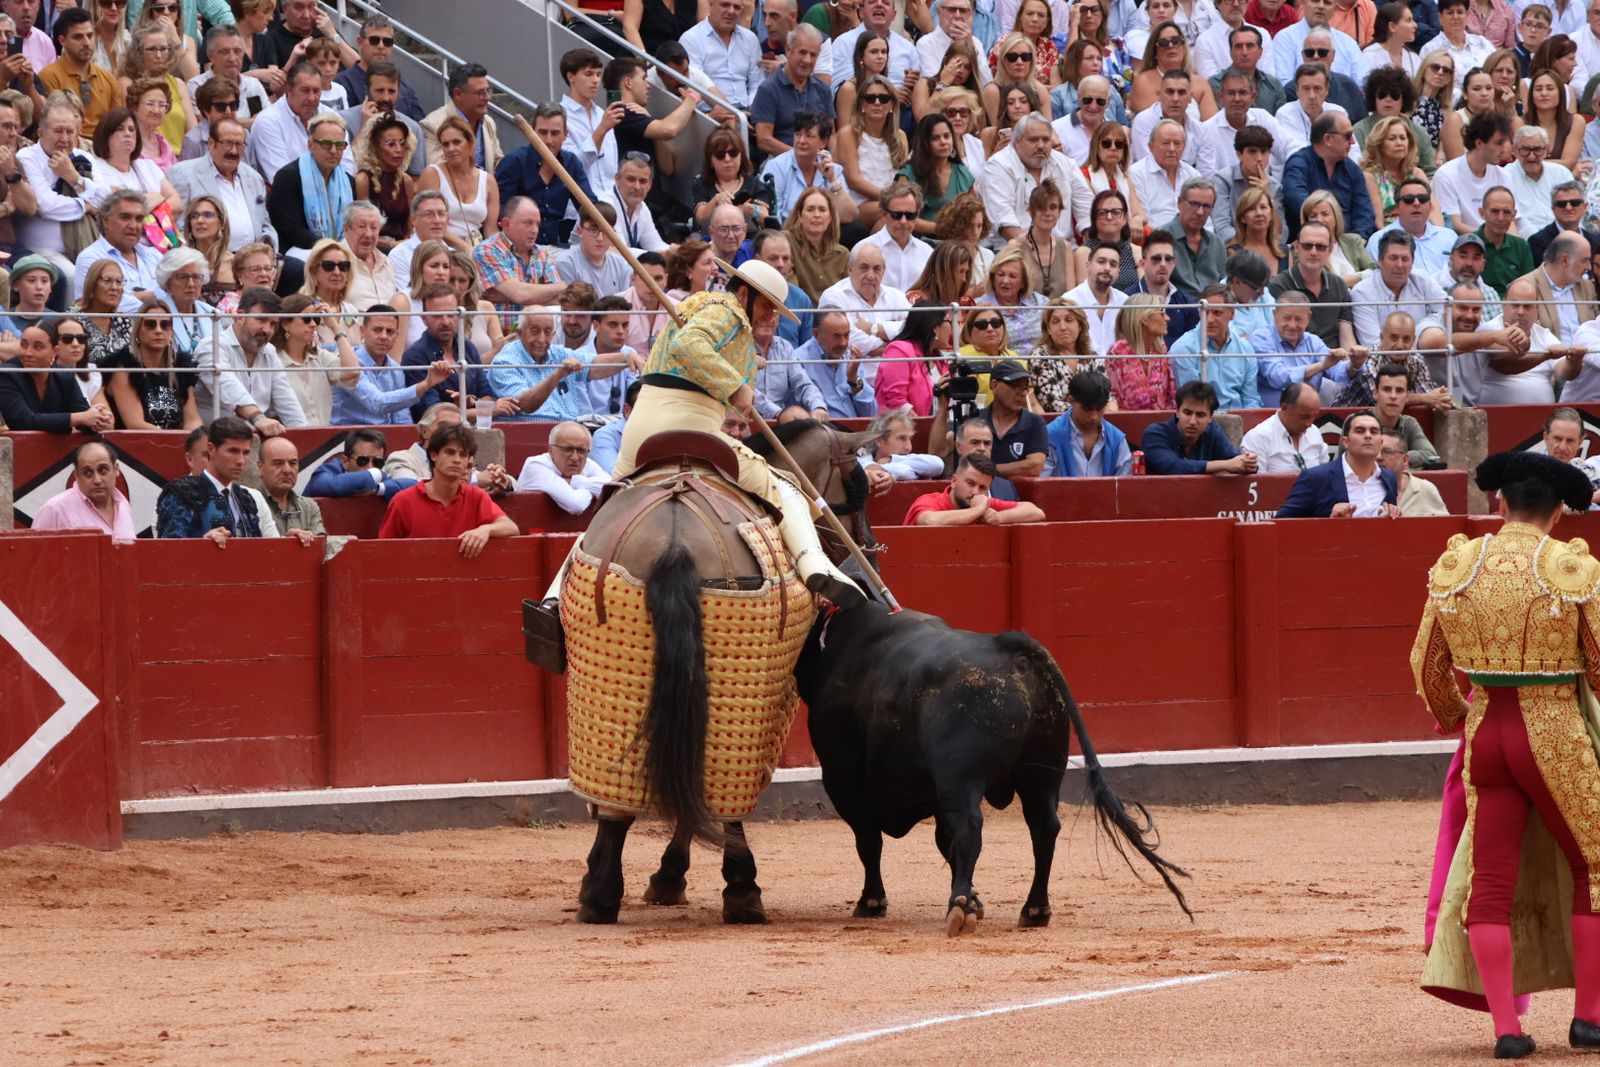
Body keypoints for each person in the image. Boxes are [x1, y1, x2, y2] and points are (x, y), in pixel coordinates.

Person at [523, 259, 869, 671]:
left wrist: (743, 372)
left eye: (776, 310)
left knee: (610, 510)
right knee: (785, 486)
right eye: (767, 306)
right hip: (690, 423)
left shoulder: (703, 310)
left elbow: (690, 350)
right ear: (745, 294)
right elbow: (692, 347)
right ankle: (816, 567)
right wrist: (735, 384)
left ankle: (554, 597)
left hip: (643, 425)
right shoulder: (728, 312)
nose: (770, 316)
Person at [1410, 450, 1600, 1060]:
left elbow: (1426, 668)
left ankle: (1508, 1033)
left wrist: (1460, 720)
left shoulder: (1458, 565)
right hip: (1553, 732)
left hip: (1487, 732)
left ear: (1500, 502)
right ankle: (1589, 1020)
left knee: (1489, 884)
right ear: (1561, 512)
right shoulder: (1572, 568)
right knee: (1593, 871)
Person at [378, 423, 519, 557]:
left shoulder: (476, 496)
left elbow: (511, 527)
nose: (457, 460)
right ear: (433, 455)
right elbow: (383, 552)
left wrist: (486, 529)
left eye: (463, 455)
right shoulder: (403, 501)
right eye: (449, 452)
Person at [489, 307, 633, 422]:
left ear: (554, 333)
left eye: (547, 332)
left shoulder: (557, 352)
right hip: (529, 432)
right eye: (535, 331)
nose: (541, 339)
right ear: (520, 333)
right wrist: (557, 375)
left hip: (570, 429)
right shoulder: (504, 362)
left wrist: (627, 357)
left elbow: (593, 365)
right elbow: (524, 405)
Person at [193, 287, 306, 432]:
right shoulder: (212, 345)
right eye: (261, 320)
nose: (267, 330)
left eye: (273, 324)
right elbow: (227, 385)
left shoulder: (269, 352)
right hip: (216, 439)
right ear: (240, 316)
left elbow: (288, 403)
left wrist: (304, 435)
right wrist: (258, 418)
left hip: (256, 436)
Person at [168, 116, 275, 254]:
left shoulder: (254, 177)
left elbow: (265, 223)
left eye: (239, 144)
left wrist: (268, 246)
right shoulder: (183, 174)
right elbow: (177, 227)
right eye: (228, 143)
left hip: (254, 258)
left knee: (296, 268)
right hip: (210, 259)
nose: (234, 151)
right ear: (211, 143)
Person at [155, 416, 271, 542]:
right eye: (233, 451)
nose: (241, 461)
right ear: (211, 450)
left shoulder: (245, 498)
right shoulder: (180, 494)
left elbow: (261, 551)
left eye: (246, 453)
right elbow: (168, 553)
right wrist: (202, 545)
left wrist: (292, 542)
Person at [494, 105, 595, 248]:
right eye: (542, 132)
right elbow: (500, 212)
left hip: (555, 248)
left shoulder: (571, 162)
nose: (548, 140)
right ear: (531, 131)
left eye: (555, 133)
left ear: (565, 134)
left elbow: (590, 208)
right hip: (516, 247)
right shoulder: (513, 162)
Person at [1477, 276, 1585, 402]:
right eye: (1515, 305)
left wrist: (1574, 360)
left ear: (1537, 309)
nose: (1521, 312)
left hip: (1542, 417)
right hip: (1496, 416)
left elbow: (1565, 373)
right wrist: (1546, 355)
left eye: (1527, 306)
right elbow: (1506, 364)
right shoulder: (1488, 330)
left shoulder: (1543, 335)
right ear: (1503, 304)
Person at [1275, 410, 1400, 515]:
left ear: (1381, 443)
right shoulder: (1315, 478)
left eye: (1374, 431)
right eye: (1360, 430)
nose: (1368, 436)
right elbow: (1281, 524)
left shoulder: (1389, 479)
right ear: (1345, 442)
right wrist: (1330, 522)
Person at [0, 319, 113, 433]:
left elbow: (84, 419)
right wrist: (78, 418)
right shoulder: (7, 374)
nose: (27, 353)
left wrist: (98, 420)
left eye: (37, 347)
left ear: (55, 351)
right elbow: (23, 421)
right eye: (23, 345)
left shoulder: (64, 376)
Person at [471, 197, 565, 331]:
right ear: (506, 223)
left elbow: (560, 299)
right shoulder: (487, 250)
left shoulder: (544, 254)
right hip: (500, 339)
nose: (535, 230)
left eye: (537, 224)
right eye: (528, 223)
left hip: (538, 337)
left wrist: (509, 297)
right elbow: (520, 294)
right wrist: (561, 286)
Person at [1284, 111, 1377, 242]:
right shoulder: (1298, 164)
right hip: (1309, 243)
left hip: (1347, 247)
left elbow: (1364, 213)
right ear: (1327, 139)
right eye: (1348, 136)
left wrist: (1358, 241)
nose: (1353, 141)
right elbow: (1299, 202)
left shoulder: (1352, 170)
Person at [1170, 283, 1260, 410]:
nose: (1210, 319)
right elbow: (1191, 404)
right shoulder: (1184, 349)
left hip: (1240, 422)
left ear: (1232, 314)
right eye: (1205, 312)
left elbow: (1251, 400)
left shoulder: (1245, 349)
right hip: (1201, 422)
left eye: (1217, 313)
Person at [1140, 379, 1258, 474]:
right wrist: (1225, 465)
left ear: (1210, 417)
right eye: (1187, 413)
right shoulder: (1155, 434)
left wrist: (1248, 463)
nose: (1192, 421)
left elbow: (1234, 460)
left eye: (1200, 415)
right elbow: (1173, 467)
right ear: (1177, 411)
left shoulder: (1212, 432)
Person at [753, 25, 834, 157]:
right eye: (802, 52)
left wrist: (831, 160)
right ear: (788, 50)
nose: (807, 60)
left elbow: (831, 135)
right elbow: (764, 140)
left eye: (813, 55)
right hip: (781, 164)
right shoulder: (768, 89)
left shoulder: (823, 89)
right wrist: (801, 156)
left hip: (818, 163)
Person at [417, 114, 496, 250]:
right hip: (438, 246)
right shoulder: (432, 174)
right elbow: (428, 221)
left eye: (456, 142)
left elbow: (491, 231)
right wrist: (465, 248)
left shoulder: (488, 180)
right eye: (445, 144)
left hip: (477, 247)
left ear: (470, 144)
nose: (451, 149)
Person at [39, 8, 122, 138]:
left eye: (90, 35)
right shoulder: (49, 76)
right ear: (62, 41)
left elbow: (117, 123)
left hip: (104, 147)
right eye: (78, 37)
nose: (86, 43)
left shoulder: (108, 78)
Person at [31, 439, 135, 541]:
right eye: (88, 473)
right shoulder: (55, 509)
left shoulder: (123, 505)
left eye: (103, 471)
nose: (97, 480)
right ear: (76, 475)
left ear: (116, 469)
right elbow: (33, 554)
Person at [903, 452, 1047, 524]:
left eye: (983, 487)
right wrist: (977, 511)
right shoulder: (929, 501)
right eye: (970, 483)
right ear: (953, 481)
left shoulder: (983, 502)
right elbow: (930, 521)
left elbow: (1036, 512)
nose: (975, 492)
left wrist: (998, 517)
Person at [245, 62, 323, 186]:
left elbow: (347, 167)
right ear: (289, 90)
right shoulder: (268, 122)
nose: (312, 98)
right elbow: (282, 179)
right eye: (305, 90)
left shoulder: (331, 117)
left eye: (316, 91)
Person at [1043, 369, 1132, 476]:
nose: (1094, 417)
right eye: (1087, 409)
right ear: (1071, 401)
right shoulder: (1050, 436)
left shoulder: (1117, 439)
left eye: (1099, 409)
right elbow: (1043, 486)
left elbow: (1124, 485)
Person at [334, 13, 423, 119]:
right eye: (374, 40)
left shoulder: (405, 86)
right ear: (360, 42)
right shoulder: (341, 84)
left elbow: (419, 126)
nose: (381, 46)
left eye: (387, 42)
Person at [1514, 230, 1599, 342]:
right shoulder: (1523, 289)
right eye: (1584, 261)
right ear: (1565, 260)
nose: (1589, 267)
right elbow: (1529, 339)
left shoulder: (1588, 287)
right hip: (1549, 357)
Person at [1434, 111, 1511, 233]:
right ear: (1479, 143)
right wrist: (1491, 237)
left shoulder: (1504, 176)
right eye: (1498, 143)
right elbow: (1454, 225)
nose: (1504, 149)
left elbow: (1512, 222)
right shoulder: (1446, 175)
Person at [682, 0, 764, 110]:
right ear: (711, 5)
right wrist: (732, 115)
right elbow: (696, 85)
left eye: (737, 7)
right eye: (725, 5)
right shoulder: (691, 39)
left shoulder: (750, 39)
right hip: (710, 115)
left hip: (749, 112)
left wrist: (752, 109)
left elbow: (757, 83)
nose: (731, 11)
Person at [421, 62, 502, 173]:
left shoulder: (488, 122)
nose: (487, 98)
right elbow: (438, 172)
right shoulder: (433, 125)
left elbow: (497, 160)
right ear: (458, 94)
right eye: (480, 93)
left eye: (488, 91)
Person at [515, 421, 610, 514]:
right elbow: (576, 505)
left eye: (581, 450)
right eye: (568, 449)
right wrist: (592, 489)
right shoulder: (535, 465)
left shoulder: (587, 463)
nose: (575, 457)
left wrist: (575, 481)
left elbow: (613, 487)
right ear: (551, 450)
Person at [797, 309, 878, 417]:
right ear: (816, 334)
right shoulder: (799, 361)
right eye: (836, 336)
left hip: (857, 430)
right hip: (822, 430)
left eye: (846, 335)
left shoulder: (851, 357)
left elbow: (870, 414)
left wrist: (854, 379)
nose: (843, 343)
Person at [1105, 293, 1176, 409]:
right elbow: (1113, 398)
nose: (1168, 318)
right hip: (1127, 423)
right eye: (1162, 313)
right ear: (1144, 318)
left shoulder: (1161, 351)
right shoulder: (1117, 352)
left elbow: (1171, 397)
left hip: (1160, 424)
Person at [1240, 382, 1329, 472]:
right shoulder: (1258, 438)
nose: (1309, 424)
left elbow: (1326, 474)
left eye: (1314, 417)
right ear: (1284, 407)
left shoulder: (1314, 432)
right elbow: (1256, 483)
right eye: (1304, 417)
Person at [864, 179, 935, 292]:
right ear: (883, 215)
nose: (903, 221)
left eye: (910, 215)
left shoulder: (927, 252)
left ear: (917, 216)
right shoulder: (863, 249)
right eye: (896, 215)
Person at [308, 429, 413, 499]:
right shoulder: (329, 471)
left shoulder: (376, 482)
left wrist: (376, 489)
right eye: (363, 461)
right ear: (345, 461)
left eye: (378, 462)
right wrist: (376, 474)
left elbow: (413, 485)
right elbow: (323, 485)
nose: (370, 467)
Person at [256, 434, 324, 543]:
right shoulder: (248, 503)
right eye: (278, 463)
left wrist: (310, 539)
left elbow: (320, 547)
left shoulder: (309, 506)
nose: (287, 470)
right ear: (260, 467)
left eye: (293, 463)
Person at [556, 205, 633, 296]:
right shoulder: (565, 263)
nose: (600, 238)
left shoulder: (621, 264)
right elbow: (574, 306)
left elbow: (625, 305)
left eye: (606, 231)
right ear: (579, 231)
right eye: (593, 230)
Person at [1378, 425, 1448, 514]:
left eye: (1387, 452)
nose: (1378, 457)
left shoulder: (1425, 489)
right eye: (1375, 451)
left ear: (1405, 460)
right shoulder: (1363, 488)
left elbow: (1443, 525)